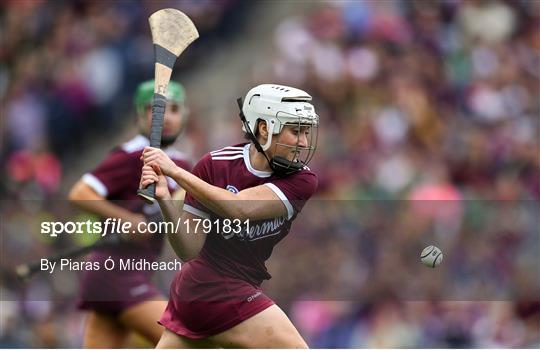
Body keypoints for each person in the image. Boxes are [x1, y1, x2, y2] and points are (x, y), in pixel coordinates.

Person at [140, 84, 319, 348]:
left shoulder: (302, 180)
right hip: (213, 287)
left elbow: (240, 208)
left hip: (222, 290)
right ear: (263, 128)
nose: (303, 143)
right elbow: (189, 249)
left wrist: (176, 173)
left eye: (306, 132)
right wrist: (165, 199)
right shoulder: (214, 166)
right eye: (295, 131)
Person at [68, 80, 192, 348]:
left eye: (174, 109)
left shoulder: (181, 165)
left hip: (128, 274)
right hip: (116, 273)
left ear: (184, 115)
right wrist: (128, 219)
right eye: (155, 109)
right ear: (139, 114)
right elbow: (80, 193)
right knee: (184, 343)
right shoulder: (132, 155)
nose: (166, 117)